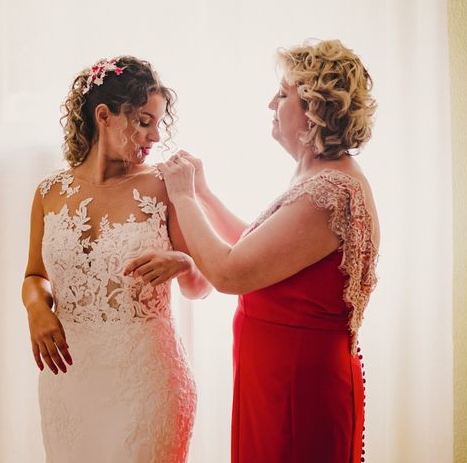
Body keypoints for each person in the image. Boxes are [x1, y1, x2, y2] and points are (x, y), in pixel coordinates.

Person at [128, 40, 379, 463]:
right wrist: (204, 192)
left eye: (283, 95)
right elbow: (257, 250)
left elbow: (230, 274)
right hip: (276, 374)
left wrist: (186, 198)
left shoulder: (331, 192)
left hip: (297, 385)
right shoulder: (319, 177)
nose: (271, 104)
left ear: (316, 110)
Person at [22, 56, 211, 463]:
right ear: (103, 116)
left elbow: (201, 286)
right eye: (144, 121)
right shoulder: (48, 192)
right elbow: (34, 275)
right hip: (70, 381)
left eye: (159, 122)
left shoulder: (165, 185)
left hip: (147, 384)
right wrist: (36, 307)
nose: (155, 135)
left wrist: (184, 262)